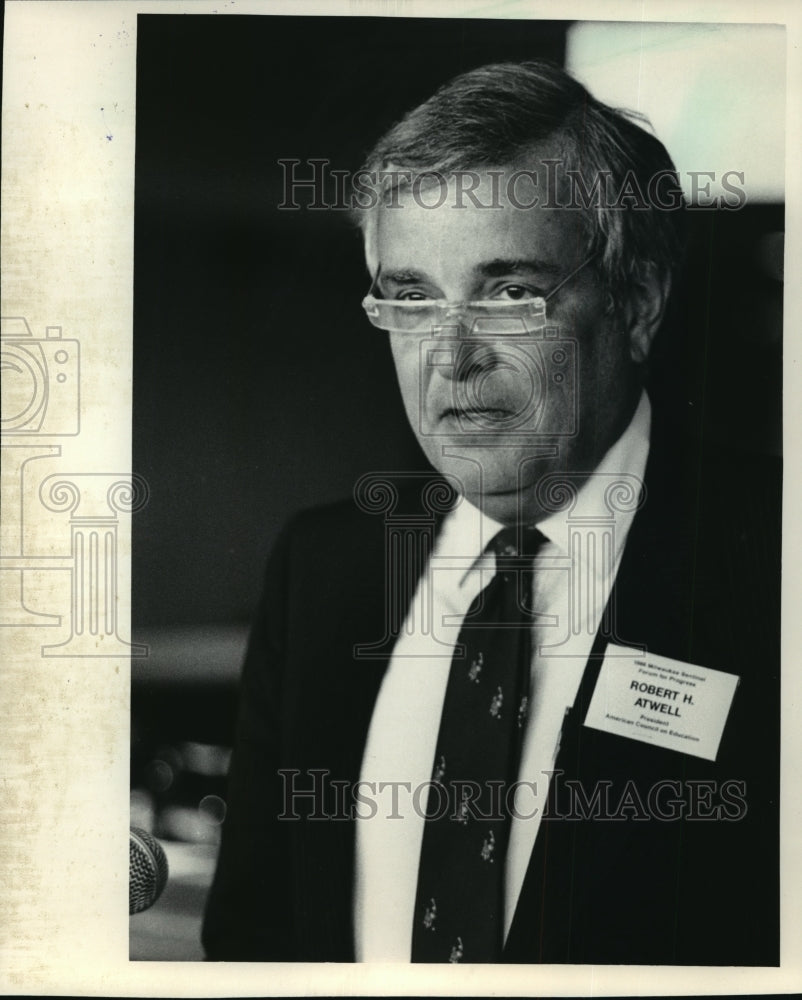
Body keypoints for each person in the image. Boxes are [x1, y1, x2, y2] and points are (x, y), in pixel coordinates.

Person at [202, 61, 780, 965]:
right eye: (412, 298)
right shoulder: (327, 567)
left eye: (509, 293)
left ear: (637, 303)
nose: (452, 356)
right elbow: (254, 940)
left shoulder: (775, 558)